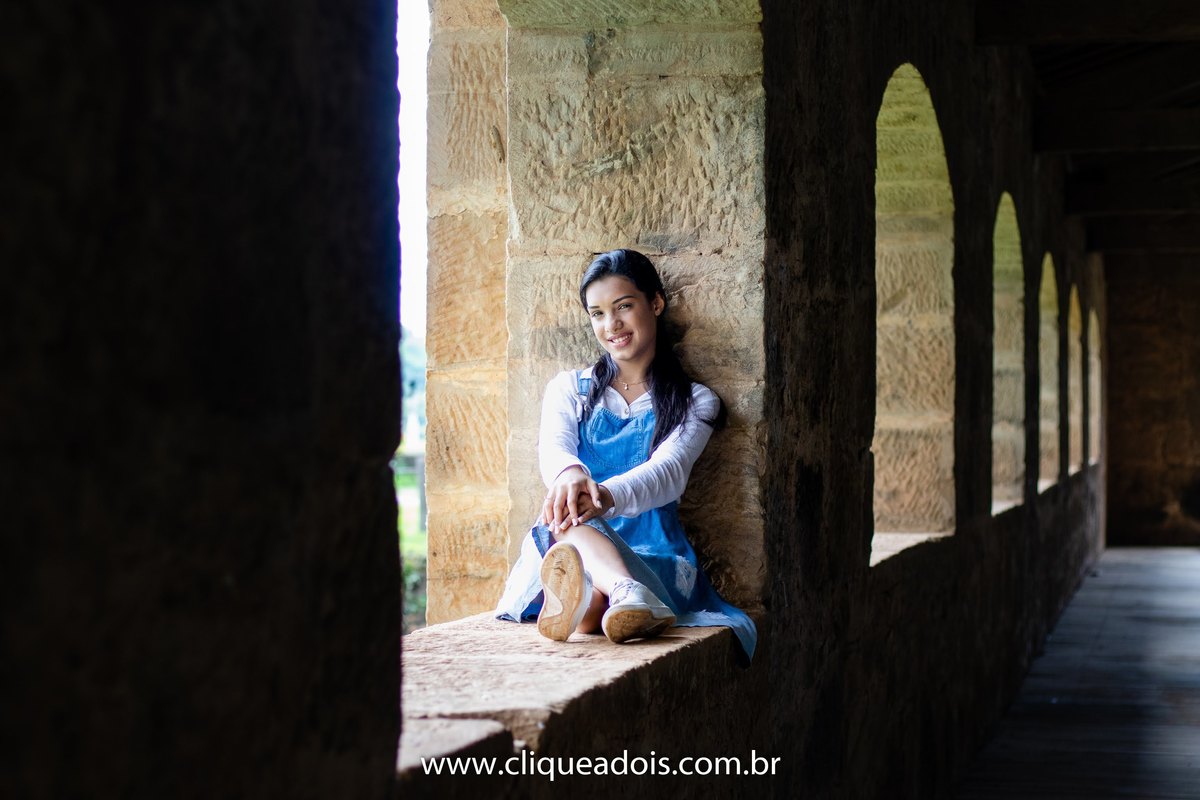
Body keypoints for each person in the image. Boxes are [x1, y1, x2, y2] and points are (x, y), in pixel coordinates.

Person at [495, 249, 756, 661]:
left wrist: (601, 495)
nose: (611, 325)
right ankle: (620, 593)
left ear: (656, 303)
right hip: (577, 532)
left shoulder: (694, 401)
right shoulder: (569, 389)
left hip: (655, 549)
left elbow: (668, 472)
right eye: (597, 314)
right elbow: (555, 446)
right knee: (567, 519)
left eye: (624, 307)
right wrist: (569, 474)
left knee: (569, 525)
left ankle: (597, 599)